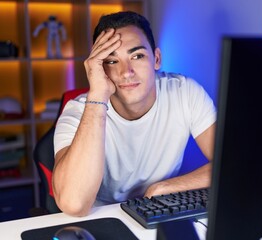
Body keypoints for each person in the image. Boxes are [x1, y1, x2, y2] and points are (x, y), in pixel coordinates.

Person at [52, 11, 216, 217]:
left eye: (137, 56)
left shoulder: (185, 92)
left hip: (159, 211)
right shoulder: (78, 112)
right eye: (111, 61)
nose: (126, 72)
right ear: (99, 68)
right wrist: (97, 97)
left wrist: (166, 187)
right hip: (101, 216)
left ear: (156, 59)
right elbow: (74, 204)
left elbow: (233, 162)